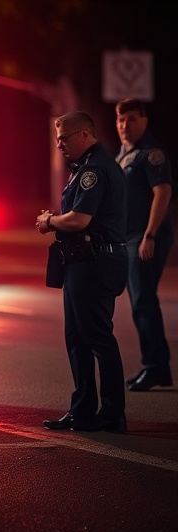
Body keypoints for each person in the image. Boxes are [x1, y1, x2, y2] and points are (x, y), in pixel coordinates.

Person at [36, 111, 129, 433]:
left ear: (85, 136)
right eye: (58, 138)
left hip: (96, 262)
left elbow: (79, 220)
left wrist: (49, 221)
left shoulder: (95, 170)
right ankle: (83, 410)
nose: (59, 144)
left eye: (64, 138)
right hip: (84, 262)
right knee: (77, 338)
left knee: (98, 338)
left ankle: (112, 413)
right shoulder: (86, 168)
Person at [115, 98, 174, 391]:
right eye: (121, 120)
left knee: (143, 301)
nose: (125, 125)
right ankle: (157, 367)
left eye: (132, 119)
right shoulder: (124, 155)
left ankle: (155, 366)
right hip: (129, 237)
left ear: (145, 121)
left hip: (145, 237)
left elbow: (162, 193)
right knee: (141, 301)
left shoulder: (151, 154)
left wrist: (150, 235)